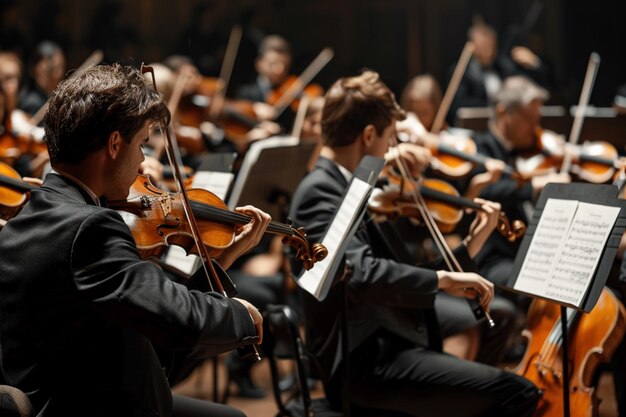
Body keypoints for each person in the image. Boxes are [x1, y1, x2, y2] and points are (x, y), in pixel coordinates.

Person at [0, 63, 270, 417]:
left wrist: (219, 261)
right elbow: (179, 322)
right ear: (114, 143)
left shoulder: (36, 213)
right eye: (142, 143)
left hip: (83, 388)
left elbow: (153, 336)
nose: (143, 161)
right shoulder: (89, 228)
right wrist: (241, 316)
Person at [289, 70, 538, 416]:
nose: (393, 149)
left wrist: (469, 246)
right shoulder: (320, 190)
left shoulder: (349, 185)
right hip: (364, 359)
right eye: (390, 138)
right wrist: (445, 279)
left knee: (494, 337)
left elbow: (395, 271)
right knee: (519, 393)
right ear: (369, 135)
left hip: (385, 330)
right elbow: (360, 273)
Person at [469, 75, 570, 288]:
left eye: (537, 120)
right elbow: (487, 192)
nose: (535, 128)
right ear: (502, 111)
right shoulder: (478, 149)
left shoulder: (523, 152)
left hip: (529, 255)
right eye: (528, 119)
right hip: (494, 260)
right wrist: (535, 185)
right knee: (548, 287)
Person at [449, 19, 549, 126]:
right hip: (475, 127)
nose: (488, 51)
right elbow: (458, 105)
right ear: (472, 46)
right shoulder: (461, 71)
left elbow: (531, 88)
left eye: (491, 45)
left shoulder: (503, 67)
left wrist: (535, 64)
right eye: (483, 46)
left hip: (507, 126)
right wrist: (495, 106)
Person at [18, 40, 66, 116]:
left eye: (61, 67)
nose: (58, 74)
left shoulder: (48, 97)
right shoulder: (32, 103)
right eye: (53, 69)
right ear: (34, 70)